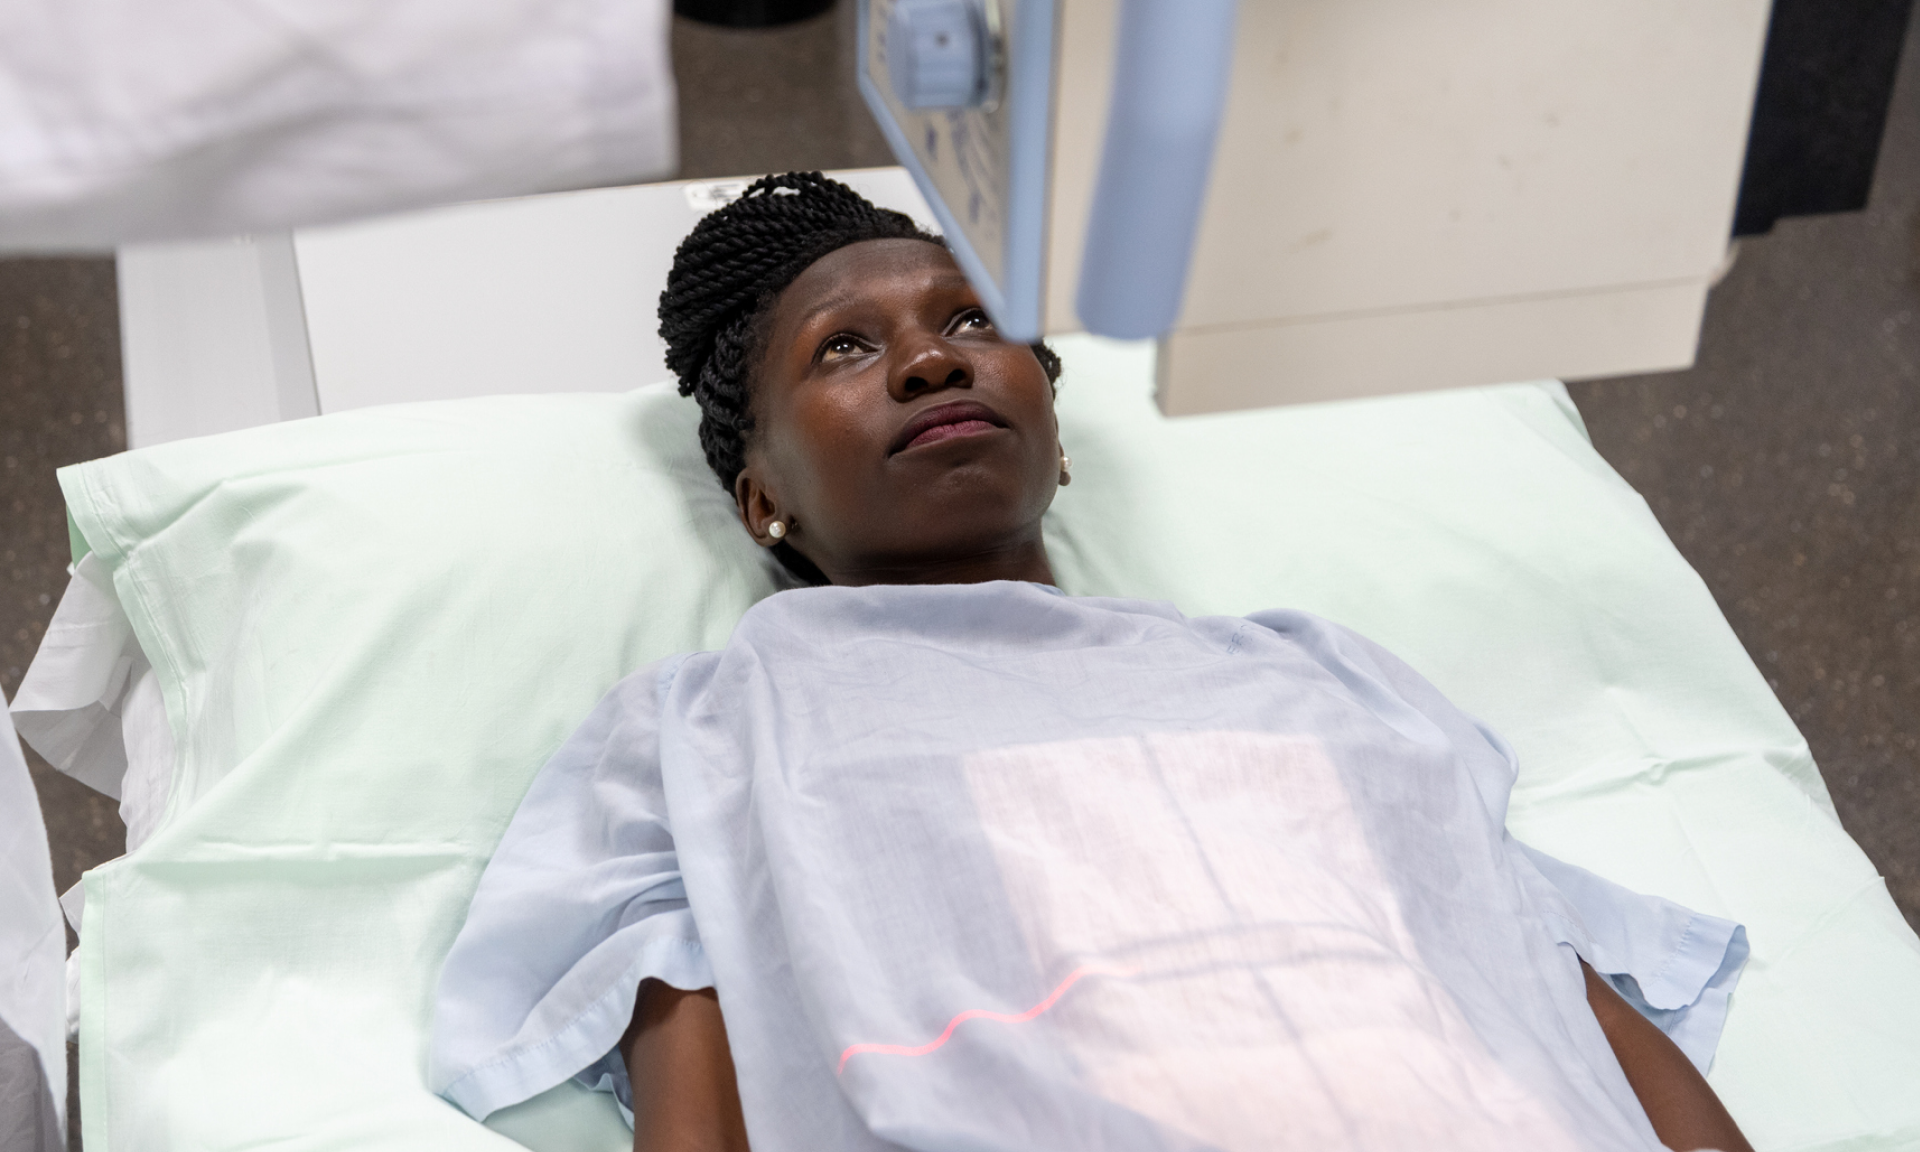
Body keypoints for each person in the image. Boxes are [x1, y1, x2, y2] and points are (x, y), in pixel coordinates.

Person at [428, 172, 1754, 1152]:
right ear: (757, 495)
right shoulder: (714, 728)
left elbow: (1553, 986)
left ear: (1057, 437)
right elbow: (694, 1070)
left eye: (970, 321)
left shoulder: (1317, 675)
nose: (930, 358)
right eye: (844, 347)